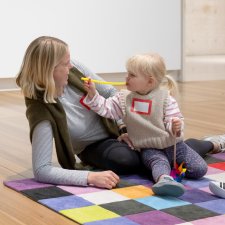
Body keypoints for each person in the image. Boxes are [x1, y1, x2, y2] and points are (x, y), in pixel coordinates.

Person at [16, 36, 224, 191]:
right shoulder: (40, 109)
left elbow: (112, 94)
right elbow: (42, 169)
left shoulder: (75, 69)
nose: (71, 65)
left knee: (158, 146)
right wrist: (89, 178)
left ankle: (212, 144)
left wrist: (126, 127)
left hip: (123, 129)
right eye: (65, 63)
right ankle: (199, 150)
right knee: (129, 160)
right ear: (49, 69)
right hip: (93, 145)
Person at [83, 53, 208, 197]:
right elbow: (106, 109)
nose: (126, 78)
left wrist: (176, 126)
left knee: (200, 170)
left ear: (150, 81)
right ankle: (164, 180)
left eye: (132, 75)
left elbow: (173, 120)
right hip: (149, 148)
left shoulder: (166, 99)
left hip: (174, 146)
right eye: (127, 73)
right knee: (158, 164)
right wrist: (93, 94)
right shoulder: (123, 98)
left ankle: (192, 154)